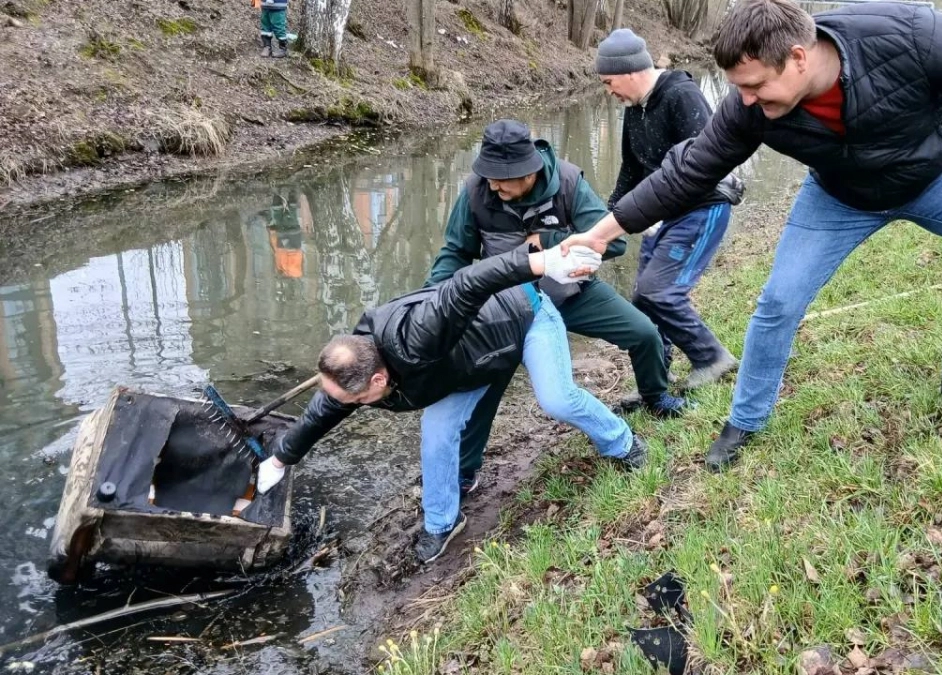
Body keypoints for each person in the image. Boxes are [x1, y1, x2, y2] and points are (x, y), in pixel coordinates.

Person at [560, 0, 942, 471]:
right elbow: (685, 173)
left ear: (799, 58)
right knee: (778, 301)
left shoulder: (910, 33)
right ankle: (746, 420)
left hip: (937, 170)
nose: (744, 100)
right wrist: (602, 233)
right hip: (839, 194)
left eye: (756, 86)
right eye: (738, 87)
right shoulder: (747, 108)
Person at [257, 245, 649, 564]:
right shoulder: (356, 367)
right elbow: (324, 411)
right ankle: (443, 523)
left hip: (527, 317)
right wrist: (279, 461)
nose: (349, 406)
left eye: (356, 400)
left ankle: (623, 443)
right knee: (437, 434)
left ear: (378, 380)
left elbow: (468, 283)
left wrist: (541, 262)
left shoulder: (419, 334)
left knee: (557, 399)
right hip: (468, 366)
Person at [424, 119, 687, 497]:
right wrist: (430, 301)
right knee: (482, 385)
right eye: (489, 176)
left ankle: (655, 395)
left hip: (570, 295)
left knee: (643, 333)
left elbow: (613, 244)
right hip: (506, 310)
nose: (494, 185)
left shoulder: (567, 183)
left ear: (528, 171)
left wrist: (552, 240)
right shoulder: (475, 193)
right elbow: (454, 254)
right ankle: (466, 472)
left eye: (502, 178)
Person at [595, 28, 745, 391]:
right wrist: (604, 222)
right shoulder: (635, 108)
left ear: (630, 72)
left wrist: (655, 211)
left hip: (701, 208)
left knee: (658, 291)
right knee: (642, 302)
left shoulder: (682, 95)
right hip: (659, 214)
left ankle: (712, 358)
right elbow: (631, 171)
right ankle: (654, 380)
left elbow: (707, 165)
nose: (608, 91)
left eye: (609, 81)